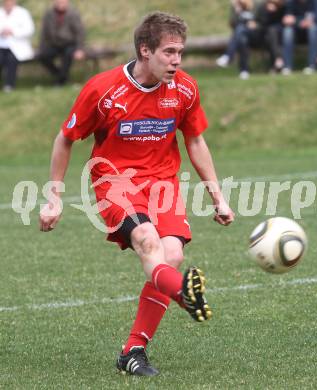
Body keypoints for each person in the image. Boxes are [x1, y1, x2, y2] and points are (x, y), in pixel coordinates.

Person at [39, 12, 234, 377]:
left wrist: (217, 196)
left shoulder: (185, 89)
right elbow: (65, 138)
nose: (177, 60)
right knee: (147, 241)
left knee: (171, 253)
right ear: (145, 50)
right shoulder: (103, 89)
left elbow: (195, 140)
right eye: (169, 52)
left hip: (163, 183)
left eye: (181, 52)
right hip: (116, 183)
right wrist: (54, 197)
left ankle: (133, 351)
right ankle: (184, 294)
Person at [38, 0, 85, 86]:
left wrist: (79, 49)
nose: (60, 4)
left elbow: (80, 32)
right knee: (42, 56)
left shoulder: (73, 14)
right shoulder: (49, 14)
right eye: (58, 2)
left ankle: (61, 81)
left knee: (68, 54)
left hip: (69, 43)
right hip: (54, 44)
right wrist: (41, 48)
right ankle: (61, 74)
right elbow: (44, 33)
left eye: (63, 2)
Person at [216, 0, 261, 79]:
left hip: (257, 35)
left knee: (240, 30)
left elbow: (265, 20)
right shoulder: (237, 6)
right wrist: (238, 11)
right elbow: (232, 24)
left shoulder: (258, 5)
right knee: (242, 39)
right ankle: (244, 71)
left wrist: (256, 24)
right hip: (242, 35)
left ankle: (228, 56)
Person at [281, 0, 317, 75]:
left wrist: (307, 22)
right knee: (287, 31)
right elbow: (288, 19)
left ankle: (312, 65)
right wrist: (300, 21)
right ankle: (287, 67)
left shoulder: (316, 2)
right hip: (297, 33)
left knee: (313, 29)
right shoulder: (291, 2)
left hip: (315, 33)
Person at [0, 0, 34, 92]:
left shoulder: (23, 13)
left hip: (18, 45)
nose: (8, 3)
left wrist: (13, 31)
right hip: (2, 44)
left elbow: (30, 30)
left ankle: (9, 85)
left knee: (12, 59)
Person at [256, 0, 286, 72]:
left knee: (272, 33)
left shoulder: (283, 5)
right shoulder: (263, 6)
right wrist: (268, 12)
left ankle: (275, 63)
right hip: (266, 33)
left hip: (281, 30)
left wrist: (276, 9)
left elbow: (284, 20)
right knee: (269, 37)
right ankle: (278, 61)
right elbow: (262, 23)